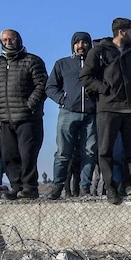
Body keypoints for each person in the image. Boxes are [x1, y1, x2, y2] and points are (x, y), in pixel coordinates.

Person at [80, 17, 131, 205]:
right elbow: (85, 77)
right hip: (108, 108)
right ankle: (111, 187)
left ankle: (128, 184)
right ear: (121, 32)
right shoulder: (98, 51)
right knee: (105, 150)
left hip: (130, 109)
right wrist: (105, 89)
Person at [0, 29, 47, 199]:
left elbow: (42, 85)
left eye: (11, 39)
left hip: (28, 118)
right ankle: (16, 186)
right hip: (5, 119)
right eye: (5, 40)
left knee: (27, 154)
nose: (8, 43)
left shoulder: (32, 61)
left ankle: (29, 187)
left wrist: (30, 105)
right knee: (9, 155)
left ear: (18, 40)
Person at [43, 32, 96, 199]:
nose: (81, 45)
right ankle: (57, 186)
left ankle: (85, 188)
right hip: (68, 112)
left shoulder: (97, 64)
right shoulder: (62, 64)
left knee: (89, 152)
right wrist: (62, 99)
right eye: (77, 42)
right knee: (63, 152)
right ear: (73, 45)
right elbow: (50, 87)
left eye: (84, 42)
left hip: (91, 113)